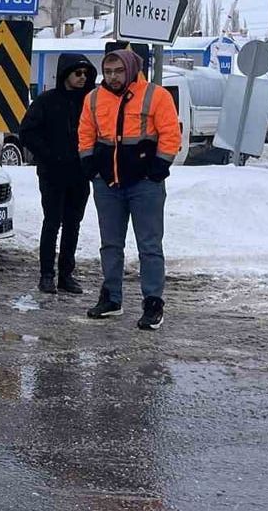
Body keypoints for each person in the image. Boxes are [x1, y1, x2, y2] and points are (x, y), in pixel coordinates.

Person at [78, 48, 181, 330]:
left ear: (131, 69)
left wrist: (159, 168)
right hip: (107, 183)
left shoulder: (156, 95)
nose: (112, 77)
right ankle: (112, 297)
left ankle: (152, 303)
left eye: (118, 71)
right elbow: (86, 132)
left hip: (145, 184)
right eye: (108, 71)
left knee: (149, 246)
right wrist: (90, 164)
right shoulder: (94, 98)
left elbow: (171, 133)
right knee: (110, 244)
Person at [19, 53, 97, 295]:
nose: (82, 78)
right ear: (65, 74)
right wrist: (49, 155)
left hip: (80, 174)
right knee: (52, 222)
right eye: (78, 73)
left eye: (86, 74)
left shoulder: (91, 102)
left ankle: (66, 274)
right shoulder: (46, 101)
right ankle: (46, 275)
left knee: (73, 224)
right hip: (52, 174)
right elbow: (28, 132)